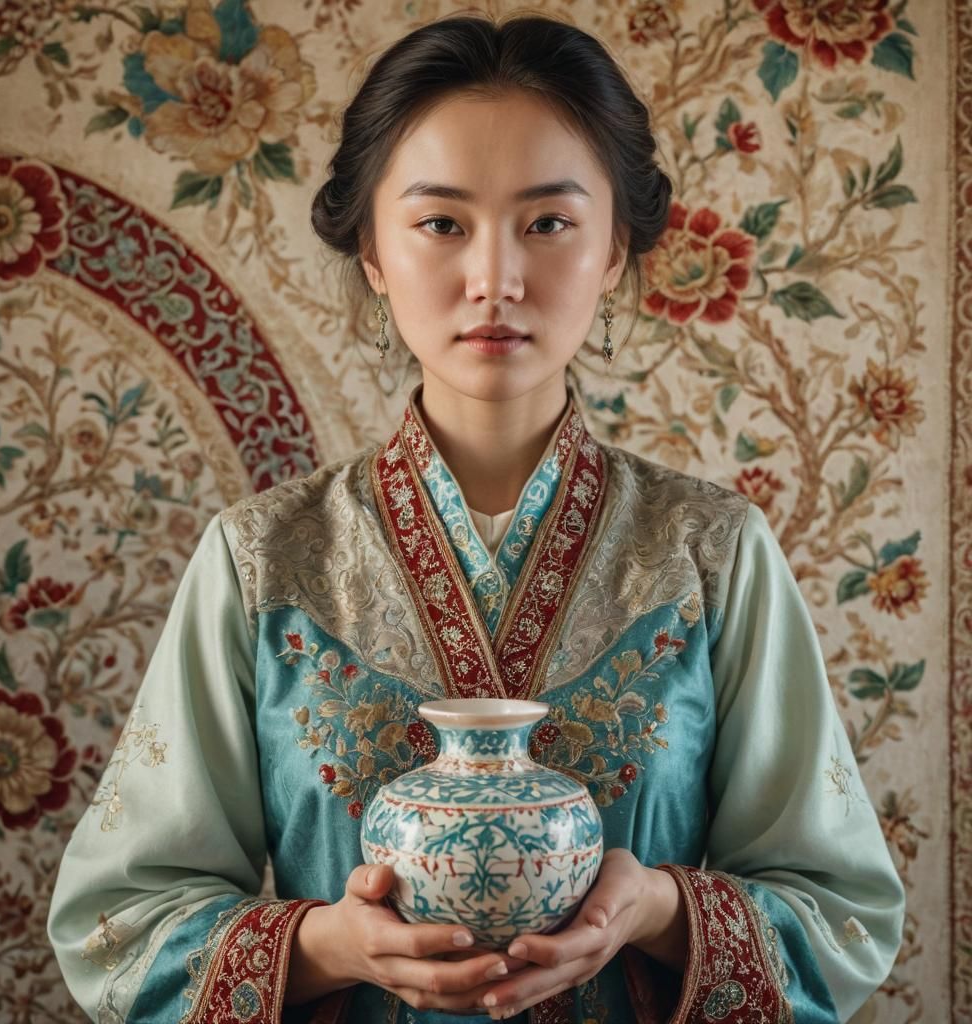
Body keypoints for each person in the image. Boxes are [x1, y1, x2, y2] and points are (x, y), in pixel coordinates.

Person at [47, 11, 904, 1024]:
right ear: (372, 248)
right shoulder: (262, 558)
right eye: (441, 224)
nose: (495, 278)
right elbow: (116, 922)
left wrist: (656, 911)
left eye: (548, 223)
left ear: (615, 248)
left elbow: (842, 913)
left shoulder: (711, 552)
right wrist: (327, 945)